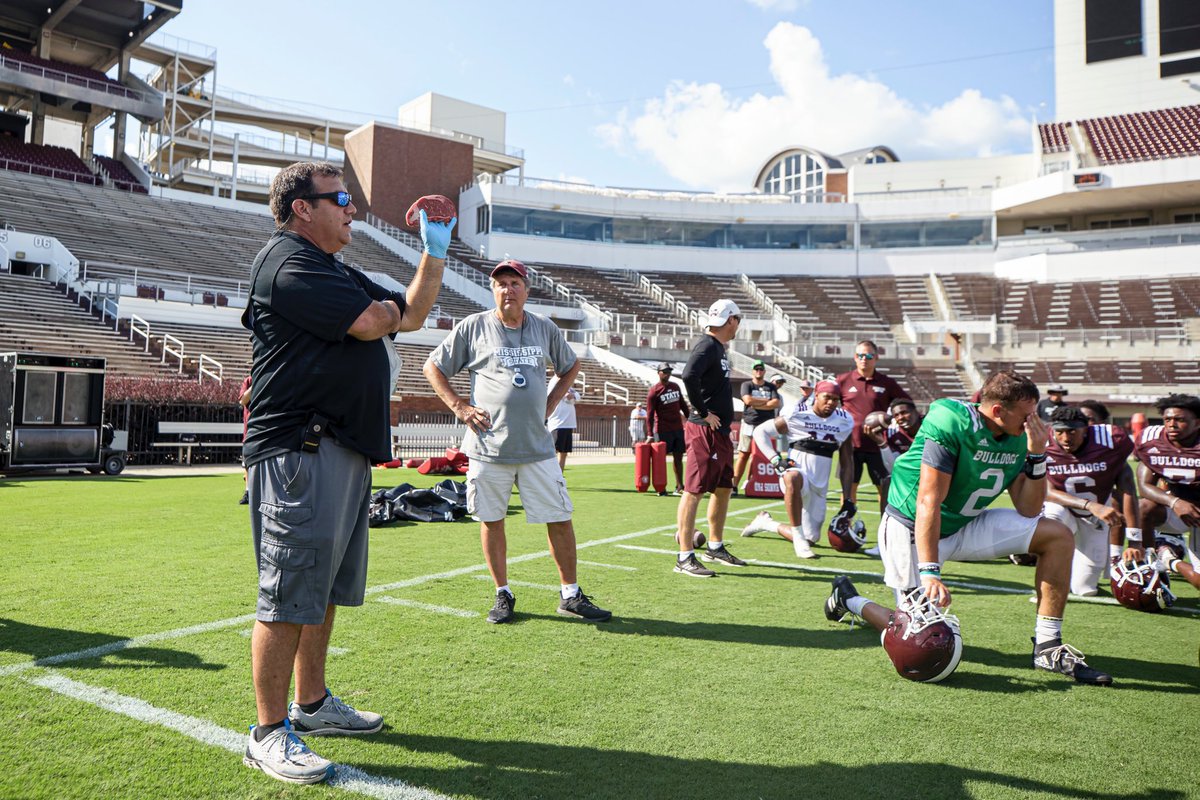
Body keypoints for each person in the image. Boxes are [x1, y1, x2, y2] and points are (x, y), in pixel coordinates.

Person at [240, 162, 451, 784]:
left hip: (341, 448)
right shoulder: (288, 261)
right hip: (301, 450)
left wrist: (432, 251)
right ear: (302, 207)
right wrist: (381, 312)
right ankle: (267, 732)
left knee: (323, 588)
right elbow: (370, 322)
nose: (352, 209)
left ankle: (311, 704)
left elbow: (408, 315)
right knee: (286, 593)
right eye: (340, 199)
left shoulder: (331, 267)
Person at [878, 369, 1112, 685]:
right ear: (998, 411)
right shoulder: (952, 421)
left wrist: (1037, 454)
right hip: (911, 531)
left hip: (964, 524)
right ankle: (851, 601)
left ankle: (1047, 646)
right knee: (919, 638)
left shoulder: (1018, 438)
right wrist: (931, 571)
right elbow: (928, 500)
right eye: (1027, 414)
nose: (1034, 421)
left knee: (1056, 535)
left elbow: (1029, 509)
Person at [424, 258, 611, 624]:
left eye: (514, 283)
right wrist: (460, 407)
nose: (507, 289)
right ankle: (502, 592)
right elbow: (433, 366)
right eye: (500, 284)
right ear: (492, 290)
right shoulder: (474, 327)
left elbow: (570, 365)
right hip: (487, 446)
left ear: (526, 289)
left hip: (537, 447)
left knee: (559, 517)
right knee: (492, 520)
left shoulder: (544, 327)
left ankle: (570, 594)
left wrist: (553, 401)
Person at [673, 299, 747, 577]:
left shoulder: (717, 348)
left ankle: (714, 546)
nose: (738, 324)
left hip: (720, 433)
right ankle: (684, 556)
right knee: (694, 491)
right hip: (704, 430)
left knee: (724, 487)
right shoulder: (707, 345)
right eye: (738, 319)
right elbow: (688, 375)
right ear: (731, 321)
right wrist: (703, 412)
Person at [740, 381, 855, 559]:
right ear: (816, 396)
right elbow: (760, 432)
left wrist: (848, 499)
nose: (831, 402)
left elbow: (847, 462)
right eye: (827, 398)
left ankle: (766, 523)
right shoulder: (798, 413)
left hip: (820, 483)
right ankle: (798, 538)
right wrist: (776, 460)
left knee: (811, 538)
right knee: (793, 477)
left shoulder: (844, 421)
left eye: (835, 399)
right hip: (795, 471)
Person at [1042, 406, 1141, 597]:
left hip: (1094, 520)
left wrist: (1135, 541)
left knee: (1084, 590)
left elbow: (1128, 488)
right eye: (1060, 432)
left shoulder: (1109, 442)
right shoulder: (1043, 443)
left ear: (1086, 429)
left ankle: (1076, 571)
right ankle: (1052, 573)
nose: (1065, 438)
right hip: (1065, 510)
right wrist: (1091, 505)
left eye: (1072, 431)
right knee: (1052, 514)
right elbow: (1045, 492)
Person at [1134, 394, 1200, 594]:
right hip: (1175, 511)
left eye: (1180, 420)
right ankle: (1149, 562)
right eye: (1167, 419)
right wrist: (1175, 502)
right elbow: (1144, 486)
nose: (1171, 425)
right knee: (1144, 506)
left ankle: (1168, 559)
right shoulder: (1152, 439)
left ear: (1197, 423)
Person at [835, 339, 910, 508]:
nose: (864, 359)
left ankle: (886, 526)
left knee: (884, 488)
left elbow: (906, 403)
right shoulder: (843, 380)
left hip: (878, 445)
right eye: (860, 355)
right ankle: (845, 526)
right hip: (850, 445)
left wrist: (891, 419)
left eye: (868, 355)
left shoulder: (886, 382)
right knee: (848, 490)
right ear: (855, 357)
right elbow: (829, 402)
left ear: (876, 358)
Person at [732, 360, 782, 495]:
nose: (758, 371)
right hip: (749, 423)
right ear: (752, 371)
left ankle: (751, 482)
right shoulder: (746, 385)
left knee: (762, 456)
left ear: (764, 371)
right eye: (756, 369)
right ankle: (734, 485)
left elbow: (776, 403)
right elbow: (747, 400)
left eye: (761, 369)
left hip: (766, 426)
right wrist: (767, 402)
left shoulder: (771, 387)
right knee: (744, 455)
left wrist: (757, 403)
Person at [645, 362, 690, 495]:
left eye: (669, 371)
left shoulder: (675, 386)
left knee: (678, 457)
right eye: (664, 371)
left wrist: (690, 420)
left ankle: (679, 486)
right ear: (658, 373)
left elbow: (683, 405)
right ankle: (661, 488)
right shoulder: (654, 391)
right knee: (660, 460)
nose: (667, 374)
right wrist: (650, 434)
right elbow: (650, 414)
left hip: (677, 428)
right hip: (662, 429)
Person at [864, 398, 923, 473]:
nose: (900, 417)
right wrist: (882, 443)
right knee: (888, 481)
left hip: (935, 471)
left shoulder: (931, 426)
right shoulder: (893, 434)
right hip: (913, 474)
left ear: (916, 412)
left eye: (904, 412)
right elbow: (893, 469)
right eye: (896, 415)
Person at [546, 378, 579, 470]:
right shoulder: (556, 381)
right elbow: (567, 397)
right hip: (558, 423)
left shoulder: (568, 385)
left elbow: (577, 395)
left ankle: (559, 477)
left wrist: (573, 395)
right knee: (553, 452)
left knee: (564, 453)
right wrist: (572, 396)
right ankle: (550, 475)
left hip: (568, 424)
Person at [238, 371, 252, 505]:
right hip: (250, 431)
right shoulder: (249, 380)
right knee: (247, 464)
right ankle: (248, 491)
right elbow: (243, 400)